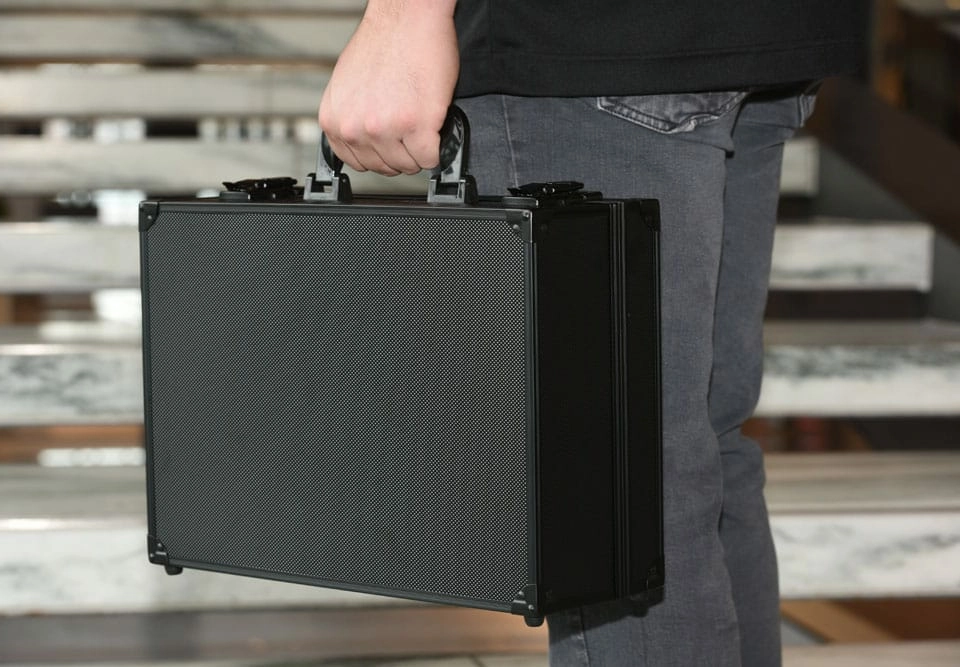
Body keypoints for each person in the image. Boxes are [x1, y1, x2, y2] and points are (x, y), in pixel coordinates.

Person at [318, 2, 869, 665]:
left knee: (619, 489)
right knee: (685, 457)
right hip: (756, 33)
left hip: (584, 42)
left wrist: (401, 18)